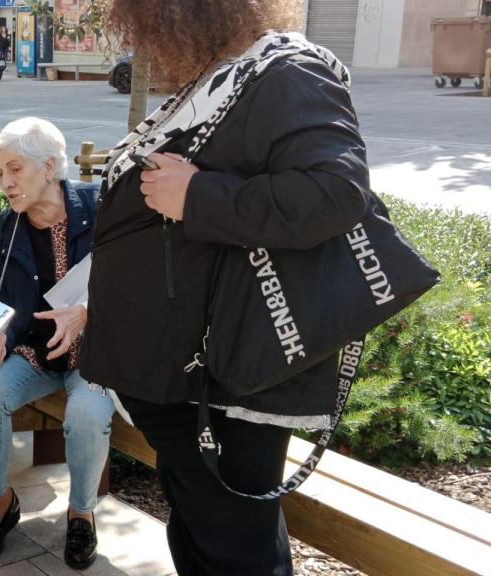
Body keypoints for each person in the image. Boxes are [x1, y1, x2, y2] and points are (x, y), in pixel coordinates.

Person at [80, 1, 370, 574]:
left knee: (236, 551)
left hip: (226, 384)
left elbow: (337, 192)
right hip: (183, 380)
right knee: (202, 534)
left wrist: (198, 197)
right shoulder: (224, 73)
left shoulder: (287, 70)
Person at [0, 117, 115, 570]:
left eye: (15, 169)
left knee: (87, 414)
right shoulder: (1, 232)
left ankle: (81, 513)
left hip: (96, 354)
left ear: (49, 167)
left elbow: (138, 285)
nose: (6, 183)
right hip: (36, 354)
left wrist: (87, 312)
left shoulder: (104, 210)